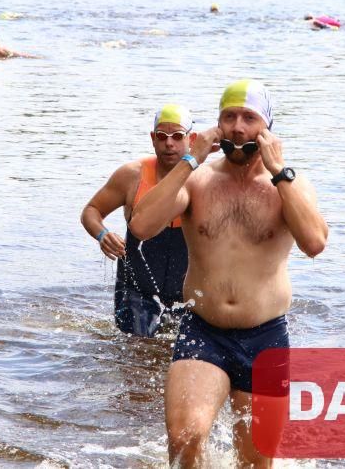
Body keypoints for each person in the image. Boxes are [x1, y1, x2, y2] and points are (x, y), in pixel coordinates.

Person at [129, 80, 328, 468]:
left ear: (267, 127)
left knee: (255, 463)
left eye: (249, 118)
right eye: (229, 117)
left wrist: (278, 171)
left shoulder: (290, 184)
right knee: (184, 438)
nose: (238, 127)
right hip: (204, 331)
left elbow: (315, 243)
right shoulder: (198, 179)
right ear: (217, 125)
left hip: (266, 338)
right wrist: (190, 160)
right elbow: (141, 226)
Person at [81, 104, 193, 337]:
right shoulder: (132, 175)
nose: (169, 143)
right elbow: (91, 211)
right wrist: (102, 235)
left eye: (177, 136)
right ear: (153, 139)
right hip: (135, 285)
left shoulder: (203, 180)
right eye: (161, 136)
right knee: (137, 348)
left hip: (187, 289)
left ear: (191, 139)